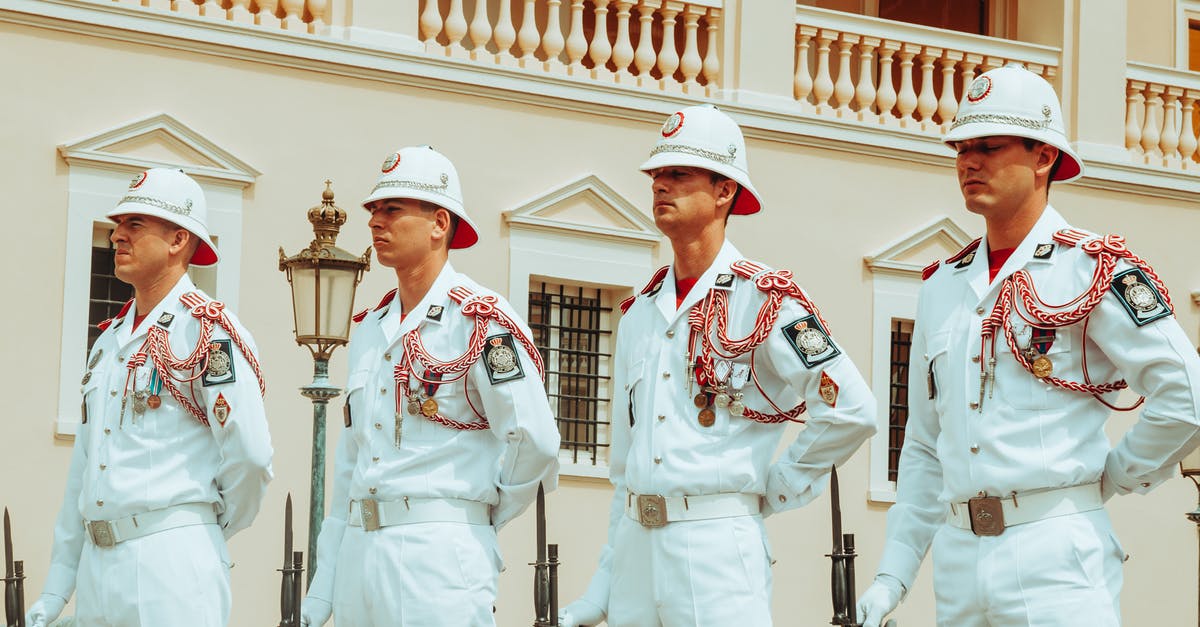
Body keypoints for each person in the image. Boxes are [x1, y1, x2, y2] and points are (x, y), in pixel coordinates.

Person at [856, 64, 1200, 627]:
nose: (969, 161)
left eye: (989, 146)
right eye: (962, 148)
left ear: (1044, 158)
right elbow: (922, 446)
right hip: (959, 559)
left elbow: (1187, 392)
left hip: (1055, 559)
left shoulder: (1090, 268)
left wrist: (1112, 476)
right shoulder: (942, 286)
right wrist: (892, 578)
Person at [559, 104, 877, 627]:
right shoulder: (640, 311)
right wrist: (603, 583)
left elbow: (851, 409)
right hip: (636, 552)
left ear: (724, 190)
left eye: (679, 174)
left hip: (715, 549)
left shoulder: (764, 297)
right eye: (657, 175)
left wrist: (775, 488)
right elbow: (625, 468)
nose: (661, 185)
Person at [299, 145, 561, 626]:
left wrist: (477, 514)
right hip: (360, 554)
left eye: (393, 209)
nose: (376, 221)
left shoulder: (479, 319)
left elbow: (535, 439)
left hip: (437, 558)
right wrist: (322, 589)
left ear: (439, 223)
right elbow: (349, 467)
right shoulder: (370, 327)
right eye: (374, 210)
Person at [26, 168, 274, 627]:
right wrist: (57, 590)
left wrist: (197, 528)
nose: (117, 234)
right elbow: (83, 471)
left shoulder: (208, 332)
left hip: (170, 567)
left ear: (179, 240)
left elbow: (252, 458)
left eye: (136, 223)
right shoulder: (109, 342)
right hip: (99, 568)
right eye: (119, 223)